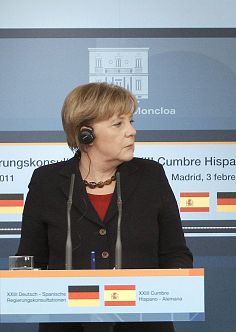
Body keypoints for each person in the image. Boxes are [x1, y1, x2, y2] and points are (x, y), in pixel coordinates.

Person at [17, 82, 193, 332]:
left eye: (131, 121)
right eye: (118, 124)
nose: (131, 131)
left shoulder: (151, 176)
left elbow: (176, 254)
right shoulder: (46, 181)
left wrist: (169, 289)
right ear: (85, 134)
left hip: (143, 325)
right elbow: (30, 260)